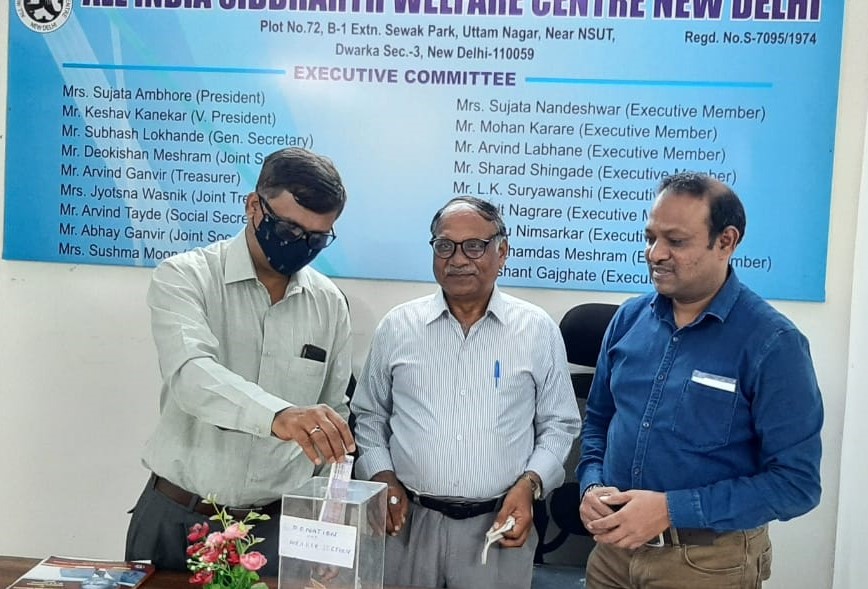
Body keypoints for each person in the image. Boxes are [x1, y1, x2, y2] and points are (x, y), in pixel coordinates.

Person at [577, 172, 823, 588]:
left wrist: (671, 510)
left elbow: (796, 484)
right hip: (611, 555)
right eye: (651, 237)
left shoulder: (772, 343)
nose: (655, 253)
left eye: (675, 241)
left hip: (706, 564)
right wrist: (591, 485)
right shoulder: (628, 320)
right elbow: (599, 421)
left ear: (726, 241)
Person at [125, 147, 356, 576]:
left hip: (276, 528)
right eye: (290, 229)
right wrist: (279, 416)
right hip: (178, 518)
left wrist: (329, 524)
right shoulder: (185, 277)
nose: (301, 245)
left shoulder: (329, 303)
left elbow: (334, 419)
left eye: (317, 238)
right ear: (254, 206)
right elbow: (191, 374)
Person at [351, 196, 581, 589]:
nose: (458, 259)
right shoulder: (397, 326)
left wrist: (530, 484)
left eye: (474, 246)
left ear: (502, 252)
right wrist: (381, 474)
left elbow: (559, 423)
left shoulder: (536, 329)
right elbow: (370, 415)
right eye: (445, 245)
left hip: (498, 524)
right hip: (408, 523)